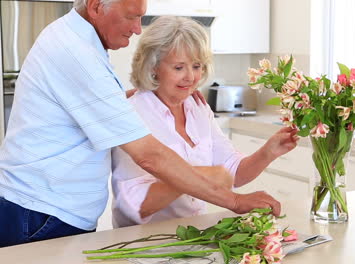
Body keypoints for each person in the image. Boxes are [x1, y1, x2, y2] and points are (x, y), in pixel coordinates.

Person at [0, 0, 281, 248]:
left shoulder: (72, 40)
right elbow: (149, 157)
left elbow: (80, 104)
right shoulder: (77, 53)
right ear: (97, 6)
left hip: (43, 210)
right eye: (132, 16)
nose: (137, 29)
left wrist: (117, 100)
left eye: (196, 66)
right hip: (40, 214)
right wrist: (233, 201)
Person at [111, 16, 299, 227]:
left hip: (194, 234)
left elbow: (232, 173)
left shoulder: (197, 107)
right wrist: (198, 176)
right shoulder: (133, 112)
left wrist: (268, 152)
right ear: (153, 66)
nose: (191, 77)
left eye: (197, 66)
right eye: (179, 67)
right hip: (142, 243)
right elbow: (135, 205)